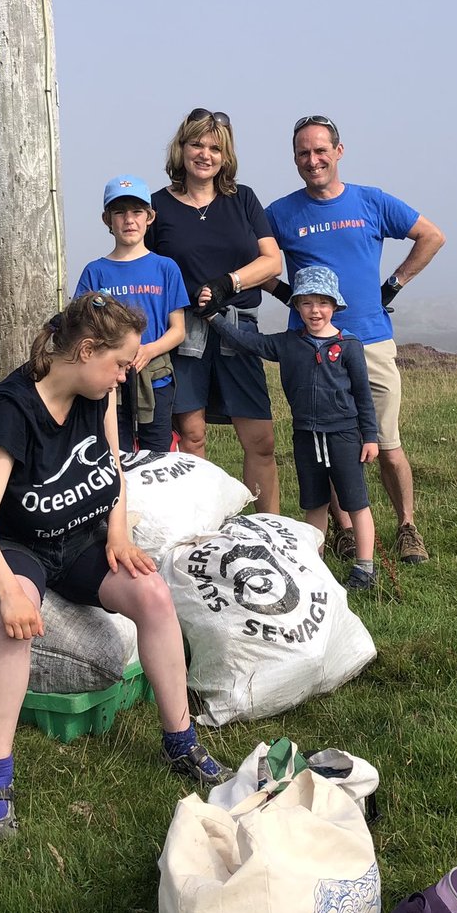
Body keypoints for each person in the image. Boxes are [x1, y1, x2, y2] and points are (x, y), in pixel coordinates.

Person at [0, 293, 231, 840]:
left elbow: (112, 468)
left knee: (153, 594)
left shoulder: (97, 393)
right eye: (120, 363)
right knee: (14, 620)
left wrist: (116, 531)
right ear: (86, 351)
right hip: (22, 544)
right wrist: (8, 592)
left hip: (81, 539)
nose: (124, 376)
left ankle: (181, 744)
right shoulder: (11, 410)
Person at [265, 115, 446, 565]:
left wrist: (395, 284)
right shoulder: (281, 213)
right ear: (294, 159)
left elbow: (431, 235)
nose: (313, 160)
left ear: (339, 152)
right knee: (325, 439)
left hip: (369, 339)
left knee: (386, 442)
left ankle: (407, 527)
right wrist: (287, 295)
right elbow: (260, 262)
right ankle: (345, 530)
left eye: (321, 150)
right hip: (309, 348)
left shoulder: (371, 201)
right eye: (303, 153)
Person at [205, 266, 380, 591]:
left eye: (323, 304)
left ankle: (365, 569)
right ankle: (313, 565)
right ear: (297, 306)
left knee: (355, 501)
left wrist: (370, 437)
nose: (315, 311)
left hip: (343, 435)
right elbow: (247, 342)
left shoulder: (349, 345)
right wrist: (214, 317)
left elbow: (363, 395)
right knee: (313, 503)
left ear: (334, 306)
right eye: (308, 303)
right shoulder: (288, 343)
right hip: (305, 436)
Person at [146, 108, 282, 512]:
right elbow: (146, 266)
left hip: (239, 328)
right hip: (183, 330)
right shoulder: (157, 207)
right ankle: (197, 528)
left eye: (214, 148)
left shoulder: (243, 199)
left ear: (226, 156)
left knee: (261, 439)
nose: (205, 154)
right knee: (191, 436)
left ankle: (270, 529)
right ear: (181, 148)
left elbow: (272, 262)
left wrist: (229, 283)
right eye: (197, 145)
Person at [74, 175, 189, 453]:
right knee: (115, 451)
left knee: (158, 452)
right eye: (119, 212)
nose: (129, 220)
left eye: (137, 212)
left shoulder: (166, 268)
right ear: (107, 220)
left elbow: (178, 329)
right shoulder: (95, 271)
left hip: (156, 378)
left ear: (150, 217)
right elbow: (81, 326)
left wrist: (149, 351)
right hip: (109, 382)